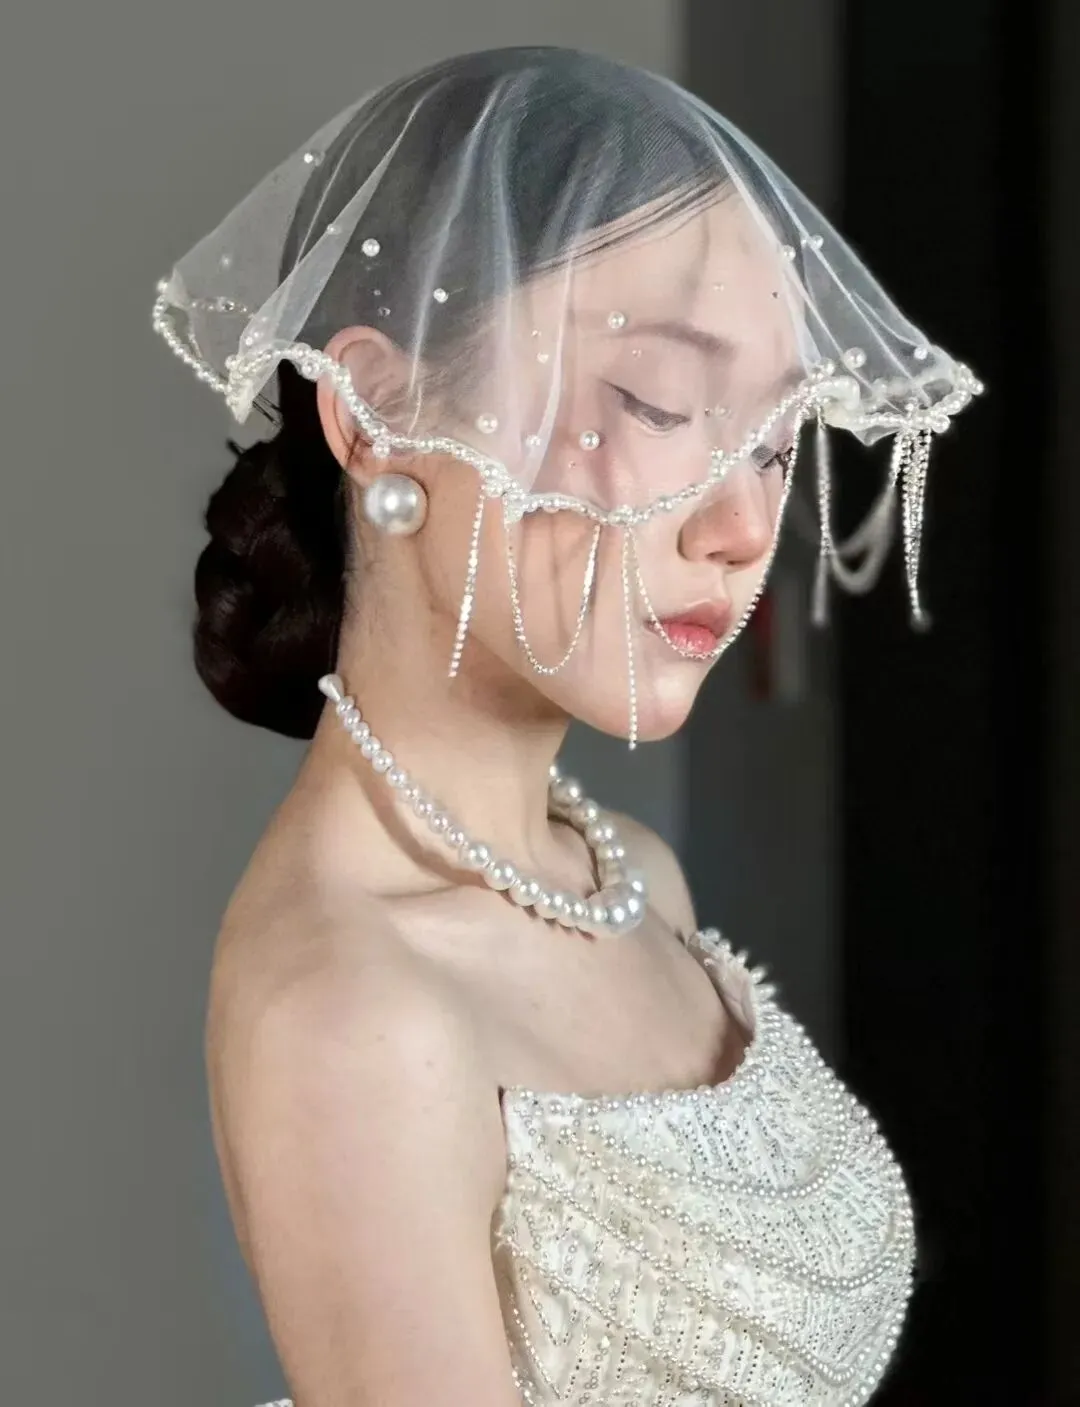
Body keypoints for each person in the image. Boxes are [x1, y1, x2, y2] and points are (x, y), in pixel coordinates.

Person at [152, 46, 981, 1407]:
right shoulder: (355, 1010)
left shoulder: (627, 876)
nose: (742, 530)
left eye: (776, 440)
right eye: (658, 404)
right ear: (374, 412)